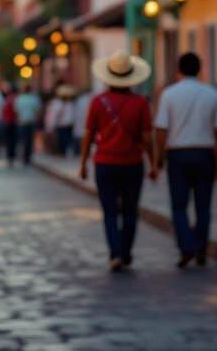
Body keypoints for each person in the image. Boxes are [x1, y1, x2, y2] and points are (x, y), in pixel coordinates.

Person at [154, 52, 217, 268]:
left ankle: (187, 245)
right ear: (200, 69)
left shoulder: (169, 94)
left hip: (178, 155)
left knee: (179, 206)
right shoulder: (212, 94)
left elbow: (161, 129)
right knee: (203, 206)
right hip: (204, 154)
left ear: (179, 70)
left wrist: (159, 157)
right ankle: (201, 249)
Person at [79, 51, 154, 272]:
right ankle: (126, 251)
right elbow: (147, 137)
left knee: (110, 211)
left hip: (105, 164)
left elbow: (88, 134)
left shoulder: (98, 102)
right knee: (131, 210)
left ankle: (115, 253)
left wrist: (83, 163)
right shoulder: (140, 103)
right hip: (132, 163)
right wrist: (155, 162)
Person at [14, 83, 42, 164]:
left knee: (23, 140)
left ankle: (24, 156)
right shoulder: (34, 99)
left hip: (22, 122)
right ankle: (28, 156)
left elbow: (16, 110)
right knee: (29, 140)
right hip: (31, 121)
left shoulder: (19, 98)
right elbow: (38, 111)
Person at [53, 85, 76, 157]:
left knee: (65, 139)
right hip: (63, 124)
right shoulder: (62, 104)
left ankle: (65, 151)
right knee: (63, 139)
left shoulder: (69, 104)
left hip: (66, 124)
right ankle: (63, 152)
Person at [0, 83, 19, 166]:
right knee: (13, 140)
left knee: (10, 140)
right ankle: (11, 155)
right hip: (13, 122)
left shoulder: (8, 99)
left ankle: (10, 155)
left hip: (8, 122)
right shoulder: (15, 99)